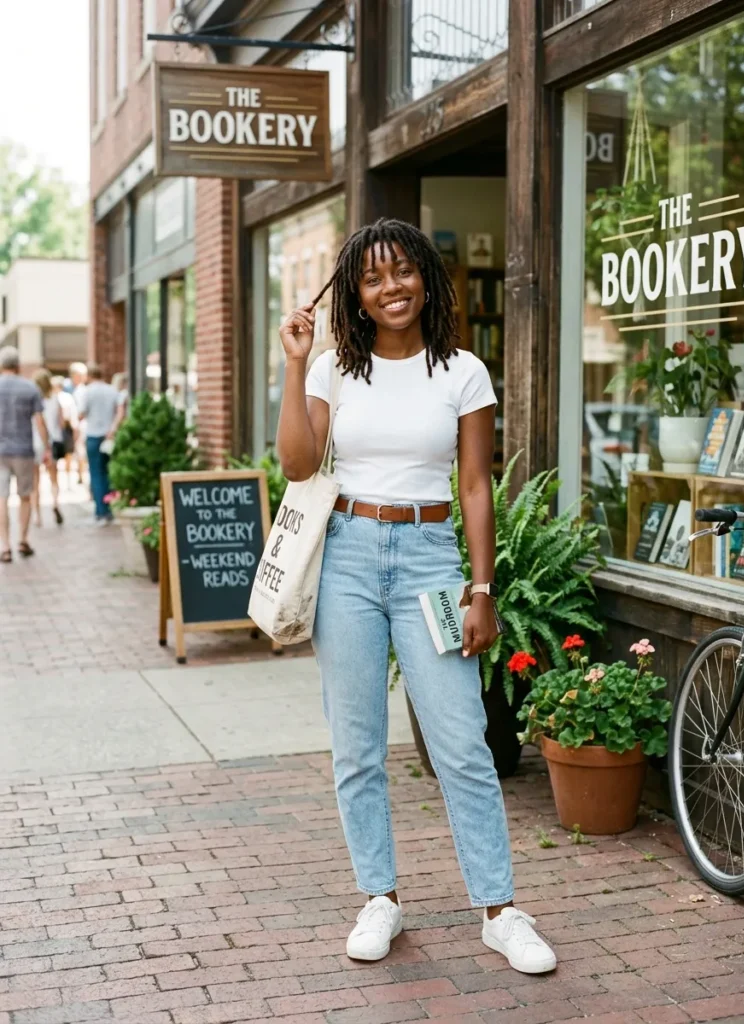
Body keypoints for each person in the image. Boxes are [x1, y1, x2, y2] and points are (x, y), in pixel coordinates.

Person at [275, 219, 556, 975]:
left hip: (431, 562)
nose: (389, 287)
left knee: (462, 743)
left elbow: (473, 486)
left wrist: (482, 585)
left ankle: (500, 910)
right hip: (347, 560)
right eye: (372, 278)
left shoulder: (462, 371)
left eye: (402, 272)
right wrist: (294, 367)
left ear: (426, 279)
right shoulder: (334, 369)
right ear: (357, 296)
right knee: (356, 745)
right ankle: (379, 897)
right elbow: (299, 465)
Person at [0, 346, 50, 561]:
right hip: (23, 450)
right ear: (18, 365)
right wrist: (47, 448)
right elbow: (39, 421)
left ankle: (4, 545)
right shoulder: (30, 388)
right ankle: (23, 539)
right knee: (25, 496)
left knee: (1, 497)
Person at [79, 364, 118, 525]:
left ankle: (100, 510)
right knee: (109, 472)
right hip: (109, 436)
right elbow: (121, 410)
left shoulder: (87, 392)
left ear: (89, 375)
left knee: (96, 473)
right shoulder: (112, 390)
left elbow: (81, 414)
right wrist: (113, 428)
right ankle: (109, 508)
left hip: (94, 436)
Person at [33, 369, 64, 526]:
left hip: (35, 443)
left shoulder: (32, 401)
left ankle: (37, 515)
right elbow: (61, 422)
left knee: (35, 481)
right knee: (54, 478)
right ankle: (55, 504)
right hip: (53, 442)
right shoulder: (55, 399)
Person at [51, 376, 79, 487]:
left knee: (67, 455)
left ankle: (64, 482)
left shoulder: (65, 397)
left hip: (63, 429)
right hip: (62, 429)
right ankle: (63, 482)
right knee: (66, 455)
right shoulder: (54, 397)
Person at [69, 362, 88, 484]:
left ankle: (83, 477)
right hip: (83, 426)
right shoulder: (80, 390)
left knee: (81, 453)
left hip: (82, 426)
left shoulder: (80, 391)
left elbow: (80, 412)